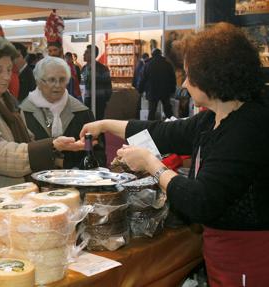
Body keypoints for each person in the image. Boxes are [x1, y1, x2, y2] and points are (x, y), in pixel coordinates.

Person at [80, 22, 269, 286]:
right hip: (221, 251)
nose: (185, 83)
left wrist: (151, 164)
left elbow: (201, 201)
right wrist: (103, 125)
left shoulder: (247, 127)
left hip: (250, 256)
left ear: (212, 77)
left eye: (190, 75)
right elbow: (161, 131)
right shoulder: (212, 119)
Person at [0, 36, 82, 200]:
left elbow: (26, 138)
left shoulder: (5, 98)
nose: (6, 76)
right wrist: (51, 146)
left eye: (9, 70)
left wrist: (57, 150)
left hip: (11, 193)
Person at [20, 56, 105, 168]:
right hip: (34, 181)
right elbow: (19, 154)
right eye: (51, 80)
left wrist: (75, 171)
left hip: (75, 181)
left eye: (62, 80)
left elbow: (98, 154)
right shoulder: (23, 113)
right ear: (38, 82)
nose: (58, 85)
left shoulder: (82, 112)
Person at [138, 48, 176, 120]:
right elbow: (172, 78)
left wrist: (140, 90)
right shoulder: (167, 64)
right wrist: (172, 90)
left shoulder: (147, 65)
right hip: (165, 91)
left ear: (152, 55)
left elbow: (143, 79)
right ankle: (172, 125)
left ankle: (150, 127)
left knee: (152, 111)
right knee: (168, 111)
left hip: (152, 91)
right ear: (160, 54)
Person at [82, 44, 112, 120]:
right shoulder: (83, 69)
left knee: (98, 122)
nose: (84, 54)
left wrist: (105, 99)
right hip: (86, 100)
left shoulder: (102, 68)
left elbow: (108, 86)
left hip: (99, 100)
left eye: (86, 52)